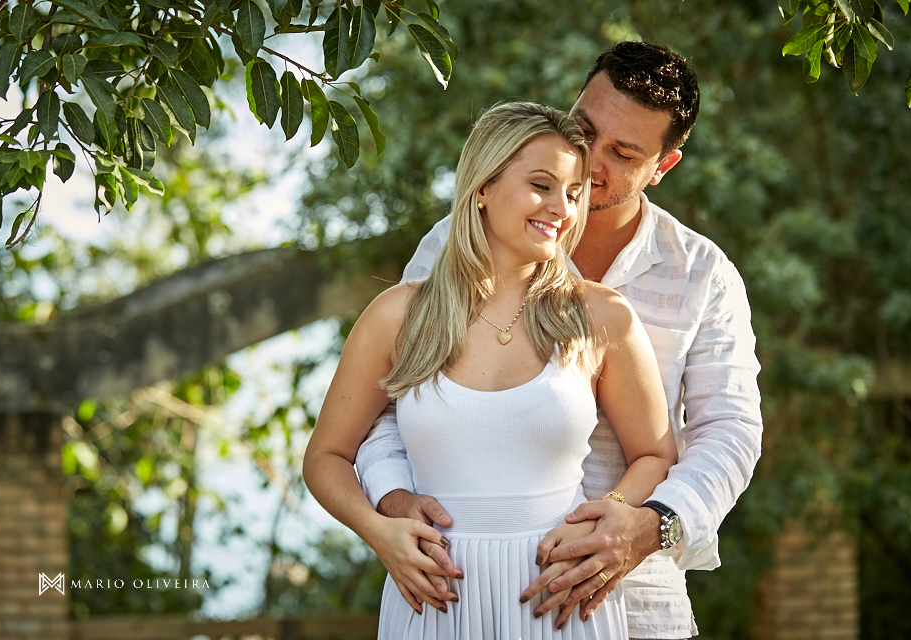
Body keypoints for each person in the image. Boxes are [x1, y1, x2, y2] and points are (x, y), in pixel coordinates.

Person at [355, 42, 763, 639]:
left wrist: (649, 526)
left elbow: (729, 432)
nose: (591, 159)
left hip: (638, 598)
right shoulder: (457, 243)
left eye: (623, 153)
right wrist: (390, 496)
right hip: (459, 589)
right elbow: (383, 400)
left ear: (662, 167)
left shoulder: (703, 273)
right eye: (586, 129)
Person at [303, 101, 679, 638]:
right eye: (541, 185)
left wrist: (611, 516)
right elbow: (326, 456)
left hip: (560, 601)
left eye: (573, 194)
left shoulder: (603, 316)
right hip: (433, 599)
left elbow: (655, 452)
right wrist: (377, 530)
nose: (561, 208)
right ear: (483, 187)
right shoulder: (398, 315)